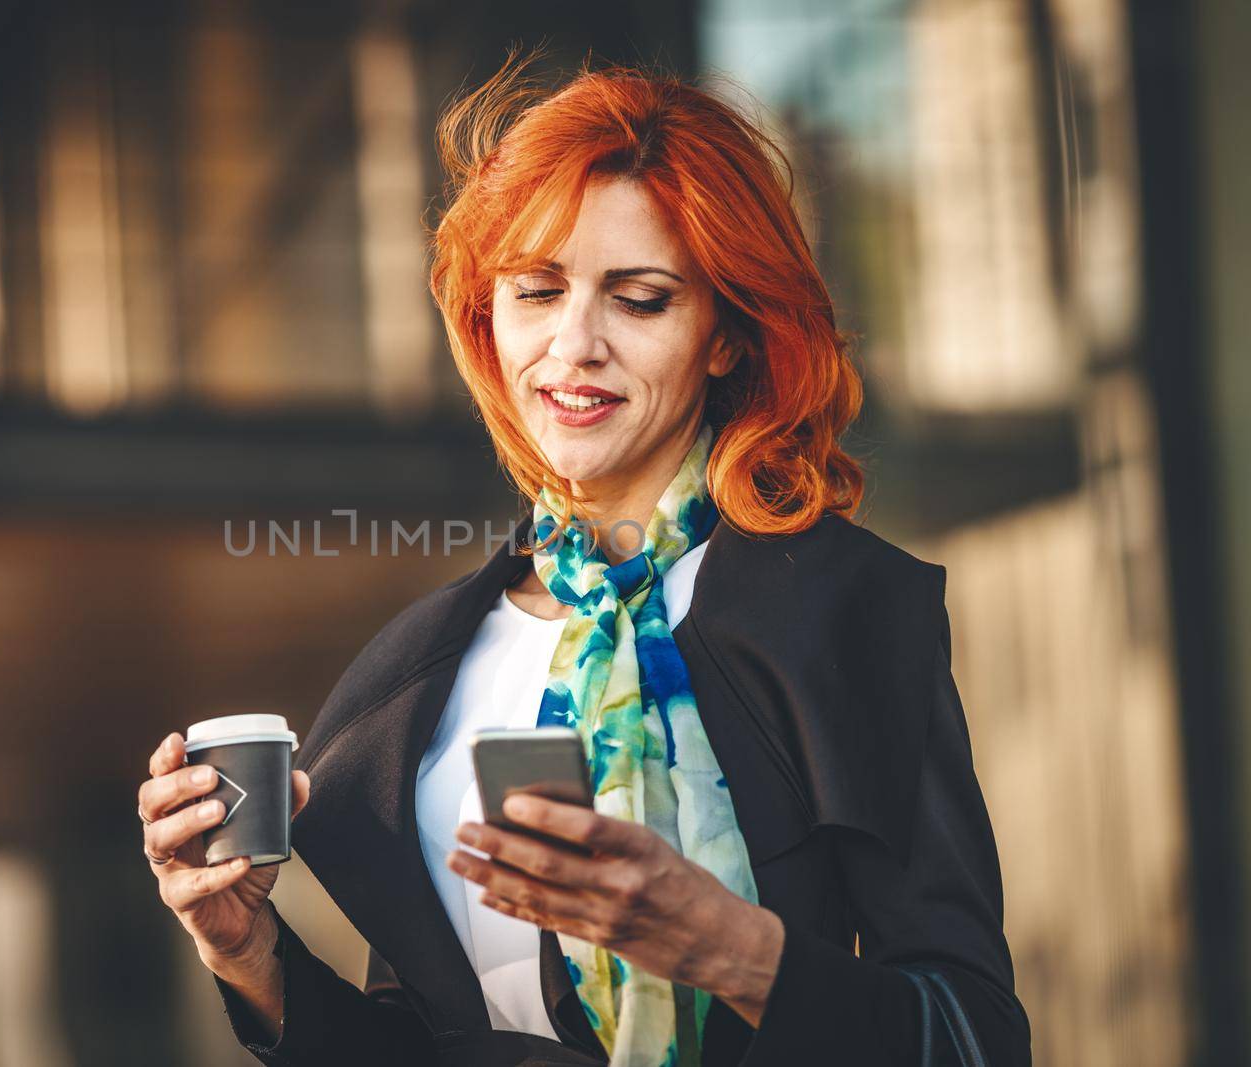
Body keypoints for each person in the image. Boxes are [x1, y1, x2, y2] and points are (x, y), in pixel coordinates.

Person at [136, 53, 1032, 1067]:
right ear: (488, 318)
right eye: (535, 290)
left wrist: (730, 948)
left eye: (639, 298)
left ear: (726, 335)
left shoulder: (840, 607)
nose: (572, 343)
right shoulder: (426, 666)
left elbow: (973, 1037)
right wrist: (248, 950)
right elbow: (433, 1045)